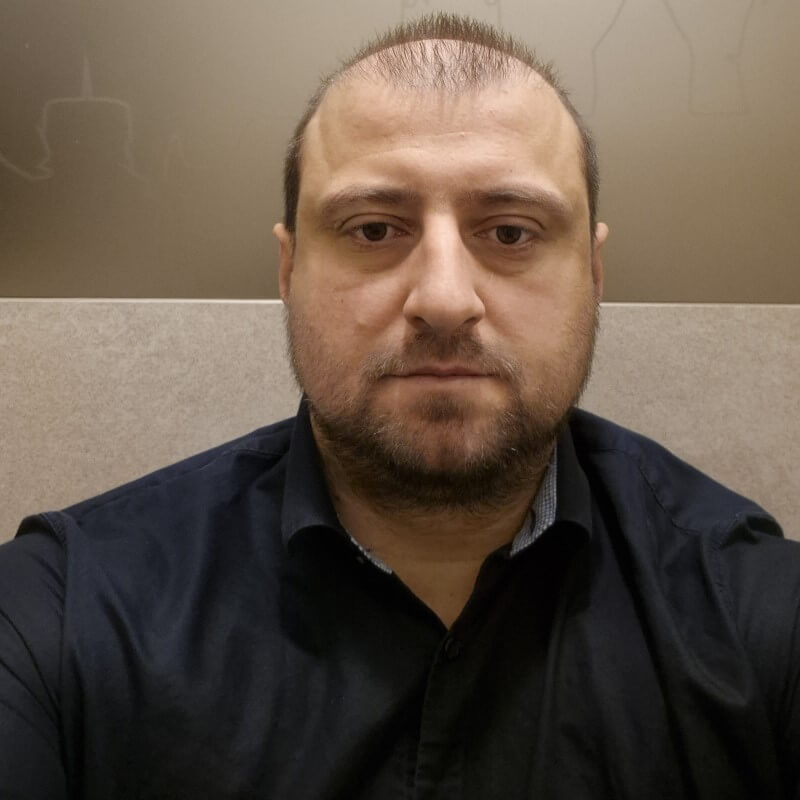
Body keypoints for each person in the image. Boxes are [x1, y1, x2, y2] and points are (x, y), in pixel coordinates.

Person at [1, 13, 798, 799]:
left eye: (511, 233)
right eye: (374, 229)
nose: (444, 299)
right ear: (288, 271)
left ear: (593, 274)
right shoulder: (64, 611)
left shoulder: (757, 612)